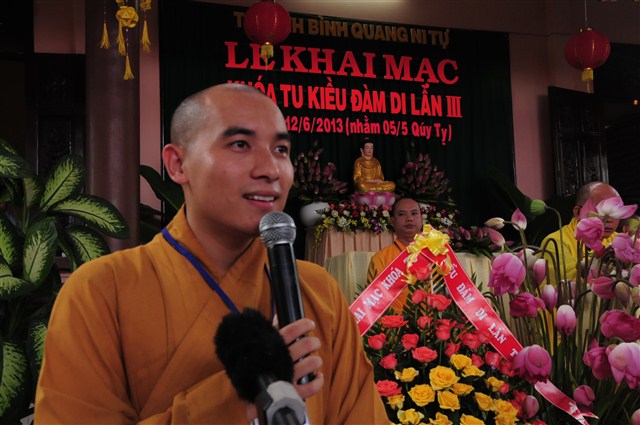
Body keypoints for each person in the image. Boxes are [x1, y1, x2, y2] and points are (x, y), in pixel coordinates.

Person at [35, 83, 388, 424]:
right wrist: (230, 401)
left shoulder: (318, 290)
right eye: (240, 144)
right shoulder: (101, 290)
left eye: (281, 150)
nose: (270, 170)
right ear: (178, 164)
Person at [540, 181, 620, 283]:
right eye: (601, 212)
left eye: (616, 212)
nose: (610, 219)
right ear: (578, 212)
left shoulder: (618, 240)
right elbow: (570, 285)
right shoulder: (555, 242)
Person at [366, 197, 423, 312]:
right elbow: (374, 305)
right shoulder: (380, 258)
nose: (409, 218)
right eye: (402, 214)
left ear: (421, 219)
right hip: (395, 322)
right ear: (392, 221)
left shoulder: (434, 253)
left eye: (414, 213)